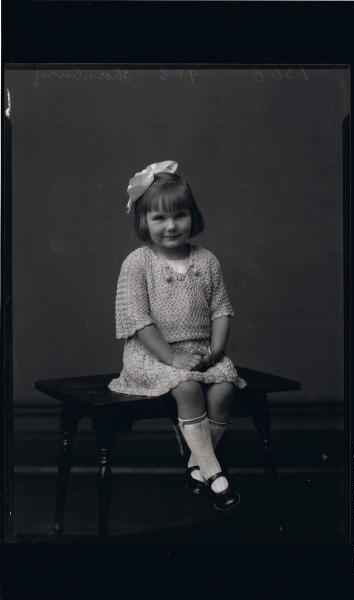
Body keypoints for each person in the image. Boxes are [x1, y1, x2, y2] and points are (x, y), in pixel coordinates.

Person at [109, 160, 246, 510]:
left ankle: (196, 467)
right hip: (152, 353)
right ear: (144, 221)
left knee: (225, 386)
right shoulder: (138, 263)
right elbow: (138, 321)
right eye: (159, 218)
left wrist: (215, 351)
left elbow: (220, 310)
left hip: (201, 349)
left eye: (179, 215)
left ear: (192, 216)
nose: (171, 226)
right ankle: (216, 474)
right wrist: (171, 358)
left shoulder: (207, 260)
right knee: (186, 386)